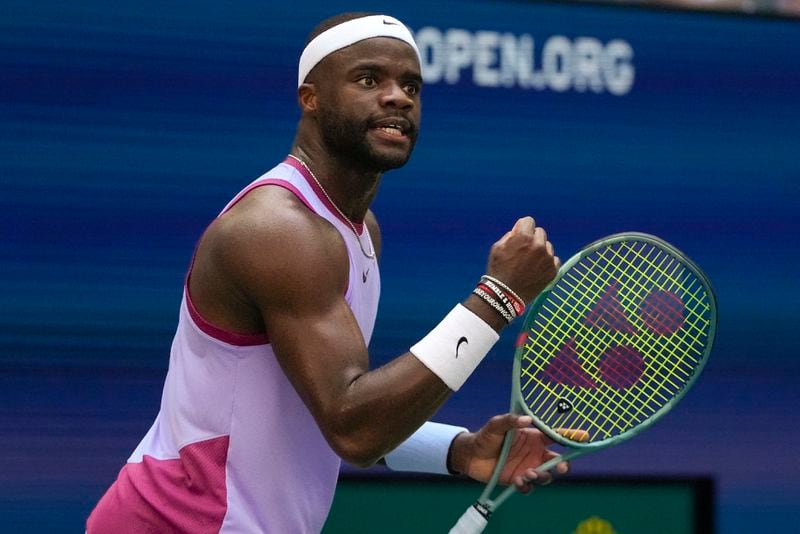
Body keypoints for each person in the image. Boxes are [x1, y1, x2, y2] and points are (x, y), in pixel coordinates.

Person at [87, 12, 567, 533]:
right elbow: (353, 426)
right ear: (310, 98)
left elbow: (318, 410)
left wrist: (456, 450)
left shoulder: (357, 231)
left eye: (411, 85)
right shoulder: (278, 230)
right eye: (369, 80)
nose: (398, 98)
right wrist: (497, 298)